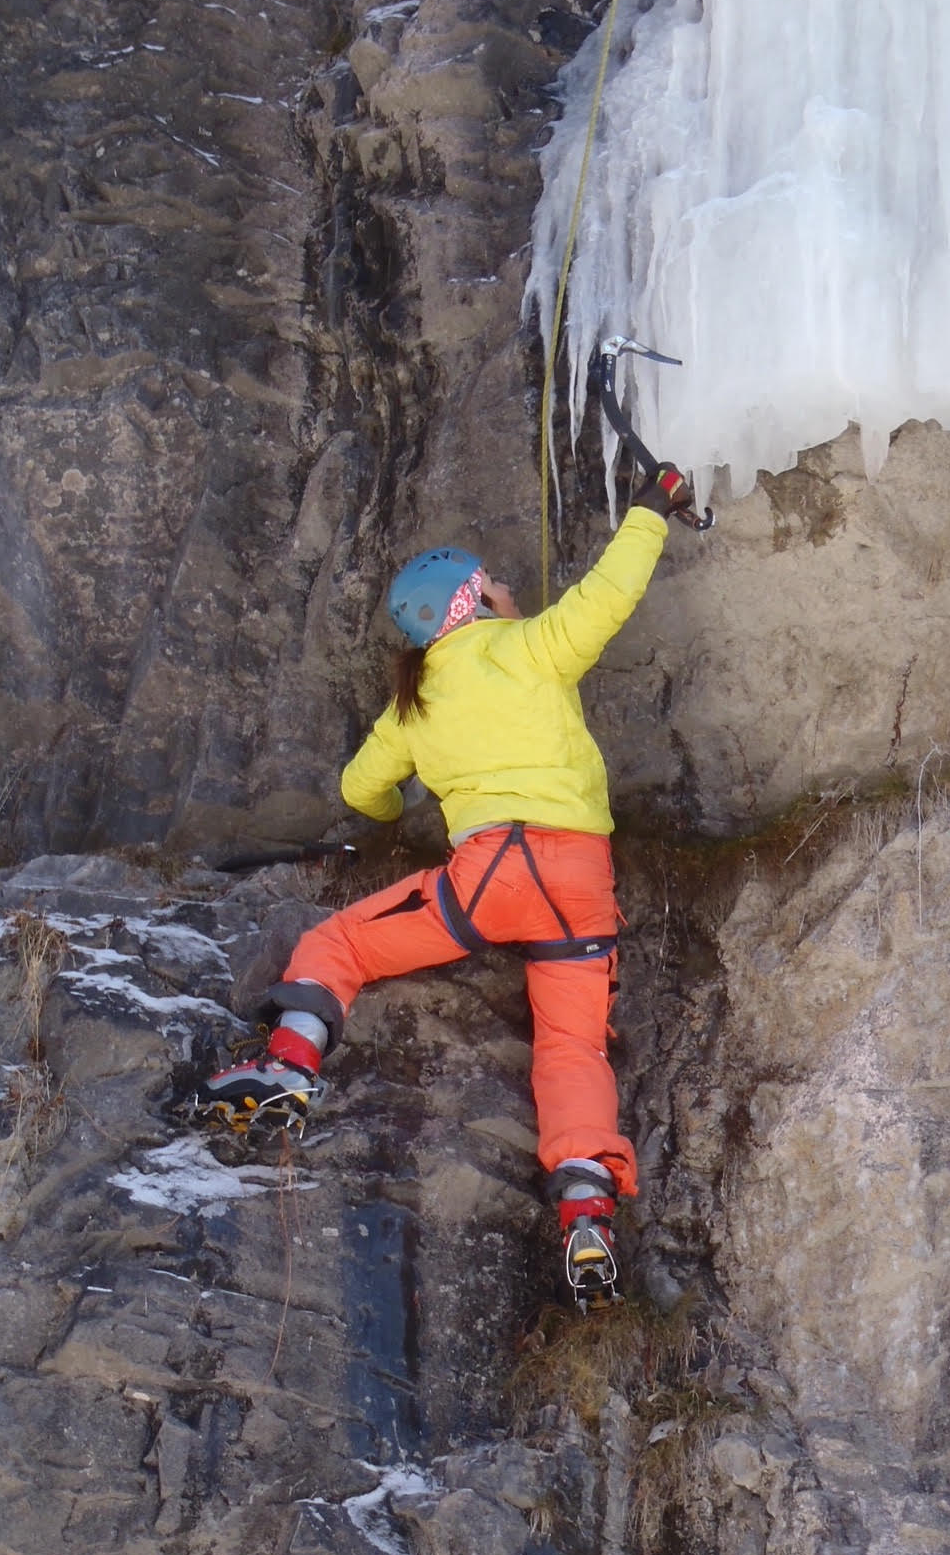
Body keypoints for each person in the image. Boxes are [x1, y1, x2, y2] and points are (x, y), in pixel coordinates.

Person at [194, 463, 695, 1306]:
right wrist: (652, 507)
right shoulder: (531, 648)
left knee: (340, 941)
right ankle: (585, 1205)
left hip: (490, 875)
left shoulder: (414, 702)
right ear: (472, 600)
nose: (508, 589)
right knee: (572, 1047)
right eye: (494, 582)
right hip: (581, 878)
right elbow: (607, 595)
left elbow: (361, 788)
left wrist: (402, 809)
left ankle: (290, 1062)